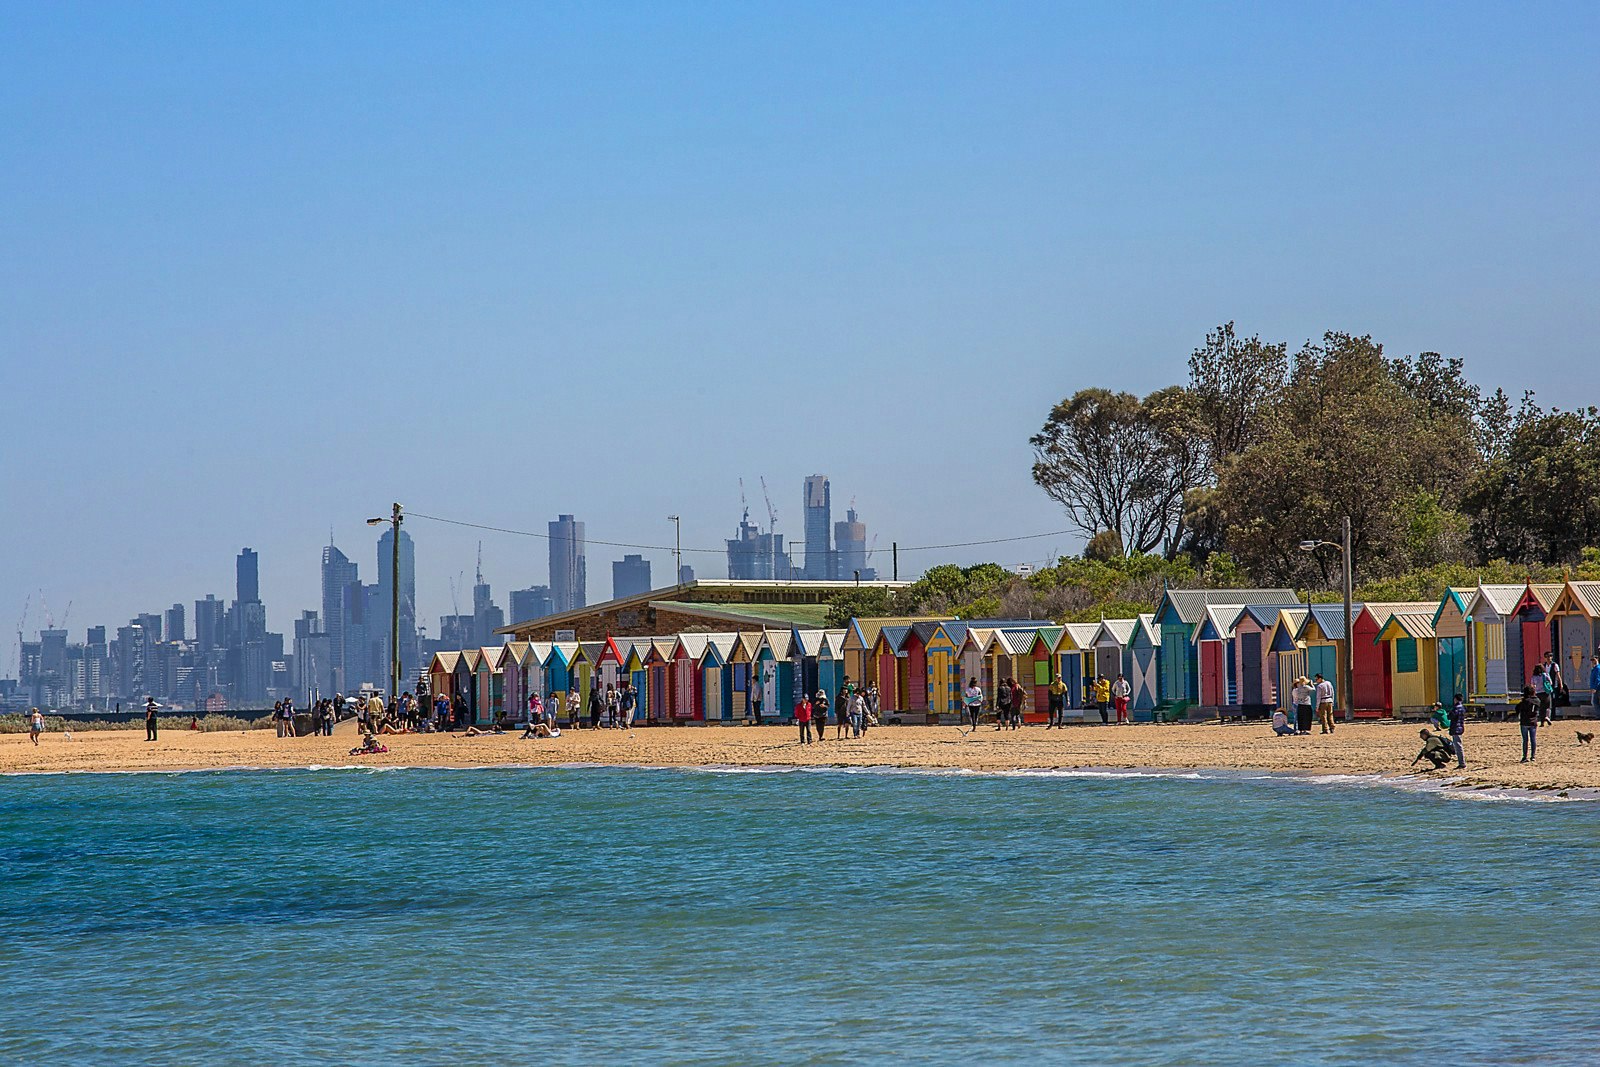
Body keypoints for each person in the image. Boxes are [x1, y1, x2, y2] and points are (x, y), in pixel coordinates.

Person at [1517, 684, 1538, 763]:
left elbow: (1517, 709)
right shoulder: (1537, 701)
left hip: (1524, 722)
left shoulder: (1524, 701)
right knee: (1533, 739)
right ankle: (1533, 756)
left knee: (1525, 740)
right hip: (1533, 722)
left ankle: (1524, 756)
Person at [1448, 694, 1467, 769]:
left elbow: (1450, 716)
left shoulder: (1456, 708)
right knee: (1458, 745)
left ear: (1455, 699)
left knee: (1458, 746)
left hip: (1456, 728)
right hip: (1460, 727)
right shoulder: (1462, 707)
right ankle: (1461, 763)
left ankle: (1462, 763)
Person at [1545, 652, 1564, 720]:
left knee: (1553, 700)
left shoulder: (1555, 665)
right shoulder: (1544, 665)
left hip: (1553, 685)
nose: (1549, 658)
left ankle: (1552, 716)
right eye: (1547, 656)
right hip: (1546, 685)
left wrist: (1561, 685)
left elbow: (1558, 676)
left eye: (1550, 656)